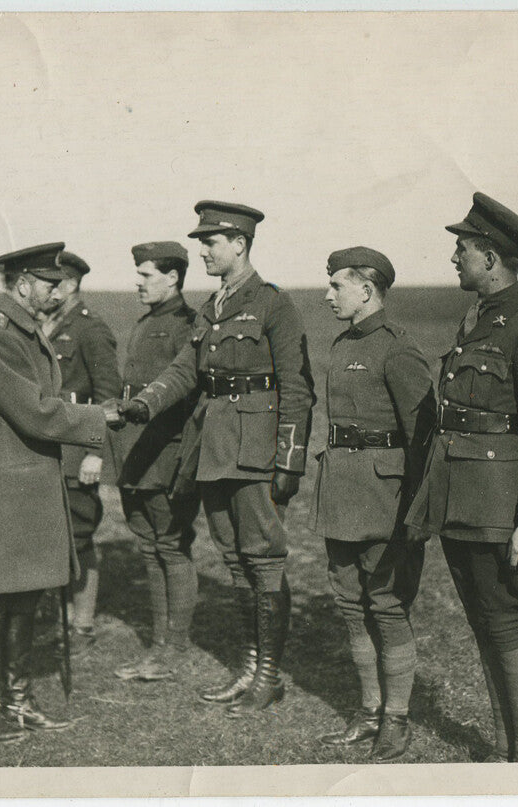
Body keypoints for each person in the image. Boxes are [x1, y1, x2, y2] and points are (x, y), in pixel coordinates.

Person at [121, 200, 315, 715]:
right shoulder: (213, 307)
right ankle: (250, 670)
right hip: (216, 449)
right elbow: (186, 370)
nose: (201, 250)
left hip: (256, 454)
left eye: (210, 242)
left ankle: (268, 677)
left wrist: (289, 461)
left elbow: (297, 387)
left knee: (264, 561)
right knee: (235, 561)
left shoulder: (273, 304)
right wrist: (145, 403)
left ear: (239, 244)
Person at [406, 193, 518, 762]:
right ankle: (504, 752)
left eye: (463, 249)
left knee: (505, 624)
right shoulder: (475, 321)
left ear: (492, 258)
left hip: (501, 514)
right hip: (462, 504)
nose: (455, 258)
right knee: (484, 623)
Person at [0, 242, 124, 744]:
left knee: (23, 594)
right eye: (49, 283)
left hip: (22, 483)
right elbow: (35, 411)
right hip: (2, 487)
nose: (57, 291)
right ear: (23, 283)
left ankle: (15, 701)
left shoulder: (20, 327)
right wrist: (98, 417)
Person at [309, 247, 435, 761]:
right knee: (348, 601)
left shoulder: (397, 350)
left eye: (337, 285)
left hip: (386, 497)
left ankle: (397, 719)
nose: (327, 294)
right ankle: (367, 710)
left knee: (385, 604)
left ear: (367, 289)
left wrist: (417, 512)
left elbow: (425, 437)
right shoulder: (342, 345)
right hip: (342, 489)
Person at [110, 241, 201, 682]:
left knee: (170, 546)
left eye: (147, 275)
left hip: (168, 453)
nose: (138, 282)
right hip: (137, 452)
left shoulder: (189, 324)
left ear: (173, 278)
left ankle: (175, 649)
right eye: (139, 274)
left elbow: (188, 393)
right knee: (149, 547)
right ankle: (159, 647)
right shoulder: (147, 322)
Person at [39, 251, 121, 654]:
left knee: (79, 536)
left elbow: (108, 400)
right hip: (44, 448)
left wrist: (95, 454)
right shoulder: (41, 323)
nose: (47, 290)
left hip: (76, 451)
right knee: (47, 534)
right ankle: (52, 617)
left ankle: (82, 624)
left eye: (54, 283)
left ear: (71, 285)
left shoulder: (91, 330)